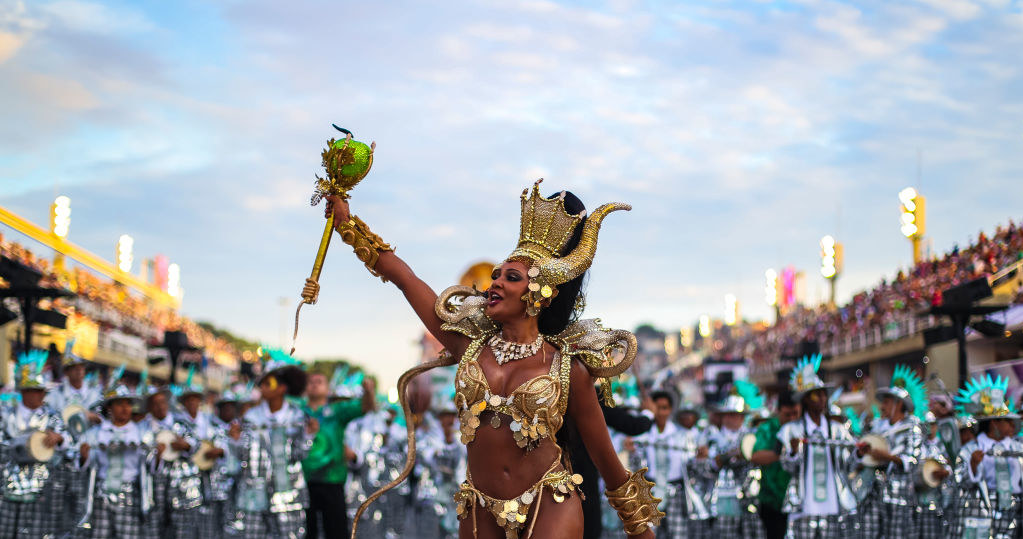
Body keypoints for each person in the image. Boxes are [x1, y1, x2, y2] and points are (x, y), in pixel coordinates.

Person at [311, 179, 662, 538]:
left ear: (540, 293)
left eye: (510, 277)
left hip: (549, 503)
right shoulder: (469, 345)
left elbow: (609, 464)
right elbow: (405, 279)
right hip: (479, 506)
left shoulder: (568, 367)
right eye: (496, 275)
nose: (495, 283)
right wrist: (347, 225)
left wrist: (642, 531)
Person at [226, 349, 318, 538]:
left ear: (282, 388)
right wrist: (234, 440)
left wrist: (309, 436)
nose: (263, 388)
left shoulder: (298, 417)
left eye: (268, 383)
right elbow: (242, 455)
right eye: (262, 383)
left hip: (288, 495)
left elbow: (301, 454)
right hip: (254, 495)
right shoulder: (250, 417)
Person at [777, 354, 858, 539]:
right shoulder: (791, 430)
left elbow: (849, 466)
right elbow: (787, 467)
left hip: (834, 503)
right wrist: (793, 451)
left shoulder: (838, 430)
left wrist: (859, 454)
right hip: (804, 505)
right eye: (817, 394)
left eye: (824, 394)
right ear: (805, 399)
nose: (822, 398)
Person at [79, 373, 158, 539]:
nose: (125, 408)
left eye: (128, 404)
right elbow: (86, 464)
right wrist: (84, 455)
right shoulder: (96, 433)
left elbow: (151, 466)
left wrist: (158, 453)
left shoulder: (142, 432)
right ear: (109, 408)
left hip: (130, 494)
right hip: (101, 493)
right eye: (119, 404)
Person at [300, 368, 375, 539]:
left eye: (319, 381)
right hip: (303, 482)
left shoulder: (337, 411)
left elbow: (366, 407)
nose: (314, 385)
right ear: (306, 388)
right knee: (305, 532)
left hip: (332, 481)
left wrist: (369, 391)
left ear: (328, 389)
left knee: (336, 532)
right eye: (311, 382)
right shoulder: (297, 412)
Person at [0, 350, 68, 538]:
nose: (40, 395)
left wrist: (59, 439)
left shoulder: (53, 416)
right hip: (7, 486)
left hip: (41, 487)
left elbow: (68, 443)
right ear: (24, 391)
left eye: (41, 391)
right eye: (35, 391)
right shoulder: (5, 414)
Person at [856, 364, 926, 538]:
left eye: (886, 402)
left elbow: (912, 460)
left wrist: (885, 457)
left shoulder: (913, 427)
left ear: (898, 404)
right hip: (873, 492)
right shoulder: (875, 426)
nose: (882, 406)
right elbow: (857, 456)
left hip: (899, 495)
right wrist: (861, 453)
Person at [627, 391, 705, 539]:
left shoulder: (683, 435)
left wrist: (700, 456)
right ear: (652, 408)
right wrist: (631, 450)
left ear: (670, 410)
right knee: (649, 533)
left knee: (678, 534)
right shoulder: (642, 434)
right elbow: (634, 465)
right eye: (658, 407)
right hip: (650, 492)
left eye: (665, 408)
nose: (662, 412)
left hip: (676, 493)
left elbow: (692, 465)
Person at [954, 375, 1022, 539]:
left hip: (1015, 513)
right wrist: (973, 465)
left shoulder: (1019, 448)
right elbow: (960, 482)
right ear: (994, 424)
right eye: (1007, 421)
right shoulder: (970, 450)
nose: (1013, 426)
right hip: (981, 512)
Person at [706, 381, 765, 539]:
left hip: (749, 497)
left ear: (742, 417)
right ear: (723, 416)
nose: (733, 418)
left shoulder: (752, 436)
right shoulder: (712, 436)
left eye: (736, 414)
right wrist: (730, 455)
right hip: (722, 498)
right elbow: (710, 465)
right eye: (729, 414)